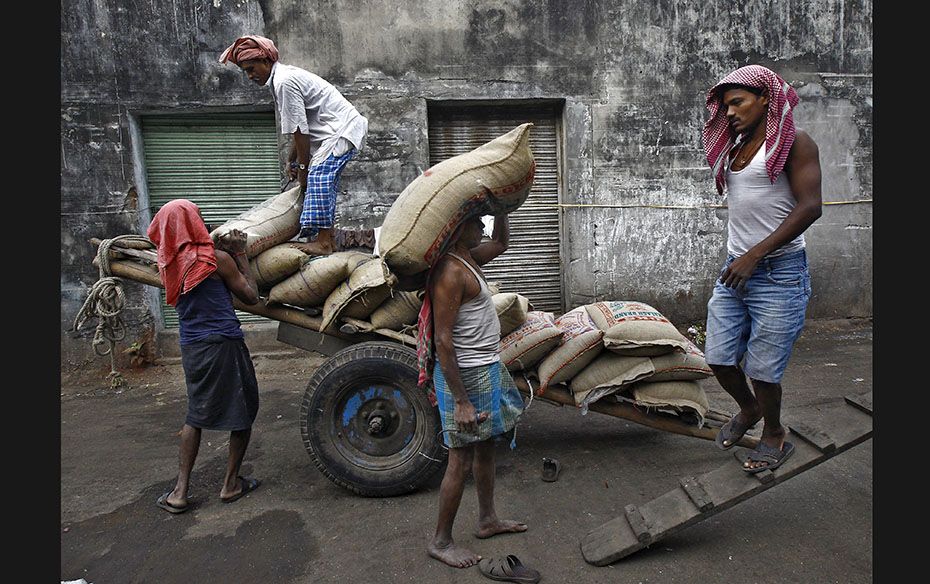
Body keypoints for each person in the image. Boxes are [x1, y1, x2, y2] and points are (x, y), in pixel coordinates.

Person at [701, 64, 823, 473]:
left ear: (766, 98)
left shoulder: (795, 143)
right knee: (718, 358)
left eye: (738, 102)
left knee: (763, 369)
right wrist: (743, 258)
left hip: (779, 273)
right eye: (725, 106)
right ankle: (749, 410)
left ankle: (774, 433)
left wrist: (755, 255)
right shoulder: (735, 148)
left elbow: (810, 207)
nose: (729, 112)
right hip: (736, 270)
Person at [416, 213, 528, 568]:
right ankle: (441, 541)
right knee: (460, 458)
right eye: (475, 221)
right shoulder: (451, 271)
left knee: (486, 448)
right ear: (456, 228)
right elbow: (444, 342)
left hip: (484, 370)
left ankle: (487, 519)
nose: (482, 225)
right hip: (463, 377)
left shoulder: (468, 257)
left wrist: (503, 209)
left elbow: (502, 243)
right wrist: (461, 401)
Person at [146, 199, 263, 513]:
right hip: (224, 342)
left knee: (196, 413)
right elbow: (251, 296)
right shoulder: (216, 260)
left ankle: (179, 492)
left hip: (192, 345)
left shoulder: (167, 264)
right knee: (243, 408)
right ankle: (231, 484)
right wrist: (240, 255)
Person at [219, 35, 369, 256]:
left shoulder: (284, 82)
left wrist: (302, 169)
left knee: (318, 177)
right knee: (321, 180)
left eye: (252, 69)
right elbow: (298, 127)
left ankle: (324, 242)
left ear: (266, 62)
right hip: (337, 132)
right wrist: (292, 159)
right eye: (246, 71)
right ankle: (327, 239)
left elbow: (301, 131)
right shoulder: (281, 80)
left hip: (341, 130)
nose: (250, 76)